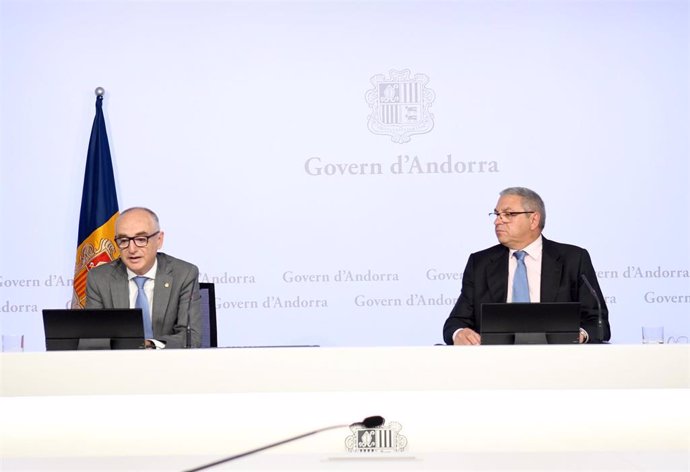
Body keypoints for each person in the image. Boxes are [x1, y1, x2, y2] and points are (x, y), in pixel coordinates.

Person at [443, 187, 611, 345]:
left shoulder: (573, 259)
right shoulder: (480, 263)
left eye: (508, 214)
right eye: (496, 214)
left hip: (560, 361)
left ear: (533, 220)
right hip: (495, 362)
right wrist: (459, 333)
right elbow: (455, 322)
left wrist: (579, 335)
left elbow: (598, 322)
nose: (497, 221)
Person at [86, 207, 201, 348]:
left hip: (169, 363)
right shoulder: (99, 279)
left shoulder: (184, 274)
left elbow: (191, 337)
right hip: (118, 364)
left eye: (141, 239)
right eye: (123, 240)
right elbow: (93, 338)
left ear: (159, 240)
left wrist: (149, 345)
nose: (132, 249)